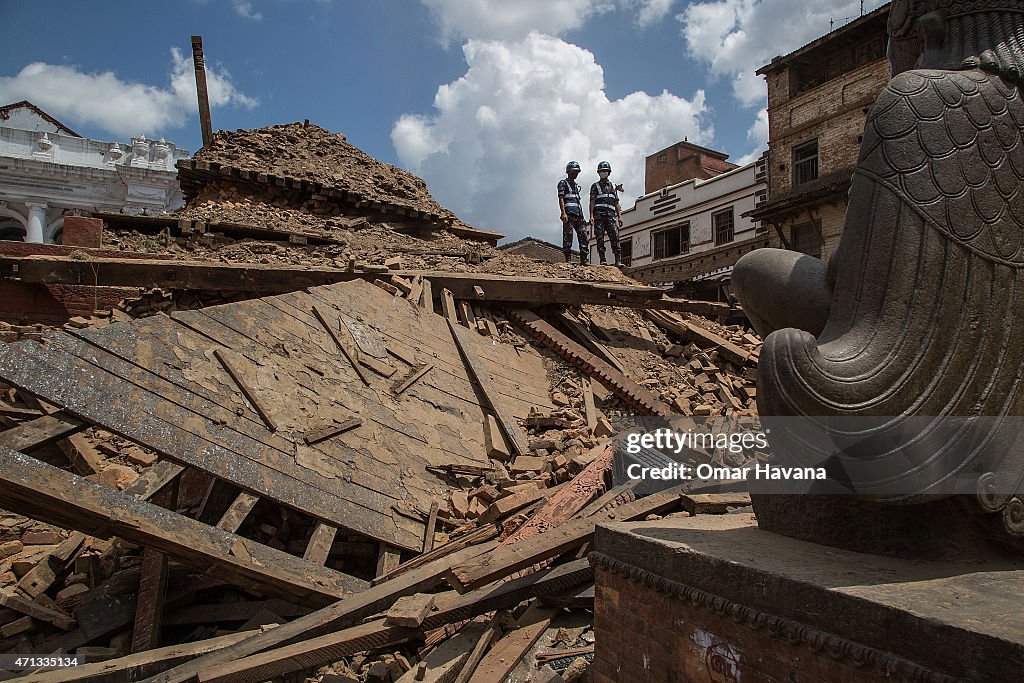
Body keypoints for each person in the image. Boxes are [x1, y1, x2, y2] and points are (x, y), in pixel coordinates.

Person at [589, 161, 622, 266]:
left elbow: (616, 203)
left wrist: (619, 217)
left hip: (611, 216)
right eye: (602, 171)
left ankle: (618, 260)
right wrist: (591, 216)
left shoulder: (612, 187)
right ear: (599, 173)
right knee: (600, 237)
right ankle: (602, 260)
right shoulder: (595, 186)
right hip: (599, 215)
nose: (604, 173)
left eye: (605, 171)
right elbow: (592, 202)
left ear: (609, 172)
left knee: (615, 237)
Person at [557, 161, 589, 265]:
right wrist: (563, 213)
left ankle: (584, 259)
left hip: (578, 215)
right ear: (569, 172)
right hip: (569, 214)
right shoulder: (563, 183)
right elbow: (561, 198)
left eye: (577, 172)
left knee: (583, 235)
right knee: (568, 235)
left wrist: (582, 216)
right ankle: (568, 259)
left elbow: (578, 202)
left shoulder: (575, 186)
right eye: (574, 172)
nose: (575, 174)